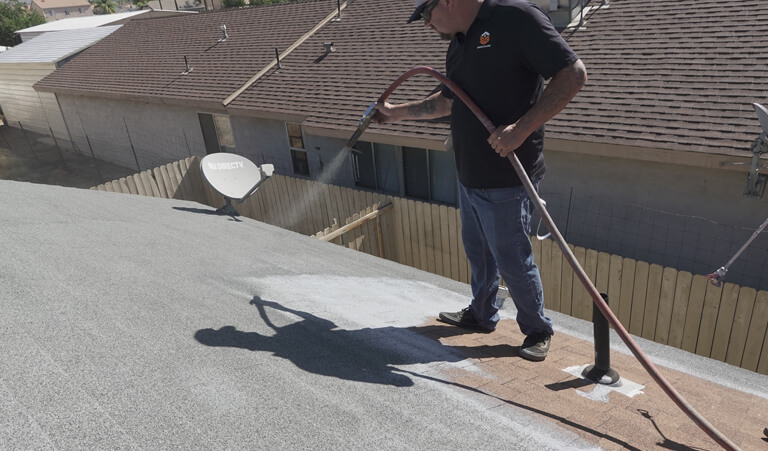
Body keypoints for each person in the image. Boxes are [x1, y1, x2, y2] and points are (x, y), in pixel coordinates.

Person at [374, 0, 587, 361]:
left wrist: (519, 130)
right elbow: (449, 101)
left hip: (507, 177)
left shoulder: (516, 18)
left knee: (512, 259)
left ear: (450, 2)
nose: (426, 25)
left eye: (426, 14)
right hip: (469, 173)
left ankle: (537, 328)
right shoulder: (458, 42)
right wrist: (396, 114)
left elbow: (572, 74)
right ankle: (482, 313)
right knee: (479, 253)